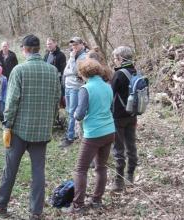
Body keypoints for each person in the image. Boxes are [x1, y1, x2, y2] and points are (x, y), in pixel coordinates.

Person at [0, 34, 61, 220]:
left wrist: (7, 125)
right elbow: (57, 100)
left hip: (19, 129)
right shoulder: (52, 71)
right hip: (42, 131)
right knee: (38, 172)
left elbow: (11, 102)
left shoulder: (19, 70)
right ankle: (36, 212)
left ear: (24, 49)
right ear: (39, 48)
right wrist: (49, 123)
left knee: (10, 169)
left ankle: (1, 205)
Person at [64, 58, 115, 213]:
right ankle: (97, 200)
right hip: (109, 131)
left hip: (93, 133)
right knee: (101, 167)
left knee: (80, 169)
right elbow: (110, 108)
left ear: (83, 73)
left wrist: (74, 113)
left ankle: (78, 205)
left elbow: (79, 115)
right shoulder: (107, 86)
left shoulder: (85, 89)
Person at [110, 46, 139, 192]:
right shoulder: (137, 72)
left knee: (118, 148)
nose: (114, 61)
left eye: (115, 58)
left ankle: (119, 181)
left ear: (121, 59)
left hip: (118, 117)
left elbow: (110, 94)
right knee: (131, 146)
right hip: (132, 115)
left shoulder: (119, 74)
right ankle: (130, 176)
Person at [60, 37, 88, 148]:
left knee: (72, 112)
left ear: (81, 44)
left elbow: (75, 71)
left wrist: (71, 60)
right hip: (68, 86)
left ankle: (70, 137)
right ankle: (73, 133)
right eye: (72, 45)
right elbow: (66, 71)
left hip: (76, 87)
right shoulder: (73, 55)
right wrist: (69, 71)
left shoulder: (84, 56)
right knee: (68, 111)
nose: (74, 47)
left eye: (76, 44)